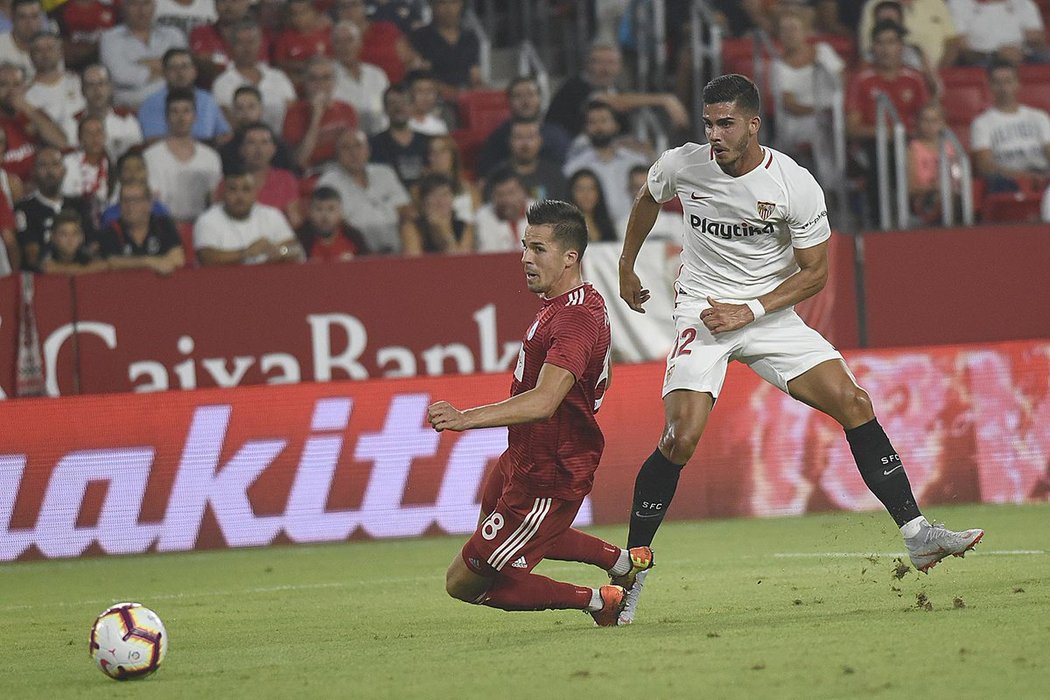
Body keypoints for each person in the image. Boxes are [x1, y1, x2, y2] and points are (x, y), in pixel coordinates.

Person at [615, 73, 984, 625]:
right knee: (679, 437)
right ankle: (631, 573)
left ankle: (918, 535)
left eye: (726, 123)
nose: (714, 134)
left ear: (754, 125)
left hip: (768, 314)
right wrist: (626, 266)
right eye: (709, 123)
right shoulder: (682, 164)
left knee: (855, 403)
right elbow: (649, 196)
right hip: (704, 312)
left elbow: (815, 275)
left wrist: (754, 310)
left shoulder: (794, 184)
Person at [428, 198, 653, 625]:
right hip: (525, 456)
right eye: (525, 247)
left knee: (464, 582)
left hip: (549, 472)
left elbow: (545, 400)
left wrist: (466, 418)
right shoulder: (572, 302)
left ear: (570, 257)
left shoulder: (574, 320)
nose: (526, 259)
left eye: (539, 249)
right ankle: (623, 563)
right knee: (507, 537)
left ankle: (597, 601)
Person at [545, 41, 689, 140]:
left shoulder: (616, 90)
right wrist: (665, 99)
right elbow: (611, 102)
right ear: (587, 65)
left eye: (611, 63)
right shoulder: (575, 85)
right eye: (598, 62)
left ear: (619, 67)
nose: (605, 69)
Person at [771, 6, 844, 183]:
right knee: (820, 127)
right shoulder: (778, 66)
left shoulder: (823, 51)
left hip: (833, 113)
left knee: (838, 125)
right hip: (798, 121)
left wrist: (836, 107)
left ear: (805, 31)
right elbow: (789, 104)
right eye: (784, 30)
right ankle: (829, 184)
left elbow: (842, 78)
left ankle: (846, 176)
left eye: (793, 29)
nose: (789, 34)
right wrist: (818, 111)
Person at [315, 128, 410, 253]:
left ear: (368, 150)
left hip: (395, 242)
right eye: (346, 148)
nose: (353, 153)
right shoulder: (329, 181)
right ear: (337, 154)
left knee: (410, 228)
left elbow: (404, 208)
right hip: (357, 247)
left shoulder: (385, 173)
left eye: (358, 146)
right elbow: (333, 221)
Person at [193, 164, 303, 266]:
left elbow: (295, 249)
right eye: (233, 190)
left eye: (246, 190)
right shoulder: (207, 219)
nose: (239, 196)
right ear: (223, 192)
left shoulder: (272, 215)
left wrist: (280, 252)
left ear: (255, 193)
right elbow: (206, 258)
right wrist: (246, 253)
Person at [142, 86, 222, 222]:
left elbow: (216, 199)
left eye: (186, 111)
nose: (181, 117)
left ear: (195, 116)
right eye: (174, 112)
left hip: (202, 225)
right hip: (163, 225)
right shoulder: (150, 156)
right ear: (166, 117)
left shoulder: (211, 157)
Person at [562, 100, 649, 223]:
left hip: (634, 224)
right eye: (592, 122)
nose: (599, 127)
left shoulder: (636, 161)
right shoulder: (574, 167)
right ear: (585, 128)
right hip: (596, 231)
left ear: (616, 125)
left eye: (604, 121)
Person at [971, 58, 1050, 193]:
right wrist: (1023, 177)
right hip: (1006, 181)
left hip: (1042, 175)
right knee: (999, 184)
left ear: (1017, 84)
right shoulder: (981, 123)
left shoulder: (1039, 117)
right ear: (990, 86)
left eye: (1008, 81)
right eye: (998, 83)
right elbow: (984, 166)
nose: (1004, 88)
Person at [16, 144, 96, 270]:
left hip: (83, 276)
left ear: (64, 170)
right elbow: (32, 255)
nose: (50, 171)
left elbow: (92, 244)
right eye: (43, 165)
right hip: (44, 279)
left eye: (55, 164)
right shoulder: (25, 209)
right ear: (34, 172)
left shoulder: (80, 204)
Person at [210, 19, 297, 134]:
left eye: (251, 42)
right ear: (230, 46)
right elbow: (228, 121)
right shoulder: (222, 83)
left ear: (260, 44)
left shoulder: (278, 77)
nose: (247, 48)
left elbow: (292, 114)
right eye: (241, 42)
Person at [477, 75, 571, 178]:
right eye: (518, 96)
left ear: (540, 99)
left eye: (531, 95)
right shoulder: (498, 138)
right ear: (509, 101)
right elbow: (487, 176)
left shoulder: (557, 135)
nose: (525, 102)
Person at [99, 0, 187, 109]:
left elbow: (183, 72)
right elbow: (121, 76)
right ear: (123, 8)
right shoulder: (110, 38)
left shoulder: (173, 35)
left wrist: (141, 63)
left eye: (146, 3)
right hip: (128, 109)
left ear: (154, 6)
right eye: (134, 4)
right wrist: (165, 67)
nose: (141, 10)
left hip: (172, 108)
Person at [137, 47, 231, 143]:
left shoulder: (207, 100)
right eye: (173, 68)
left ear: (195, 72)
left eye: (185, 67)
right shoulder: (151, 103)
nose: (180, 73)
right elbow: (153, 140)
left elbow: (224, 134)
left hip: (206, 153)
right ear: (164, 73)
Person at [282, 56, 359, 171]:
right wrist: (316, 117)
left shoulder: (347, 109)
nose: (320, 84)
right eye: (313, 79)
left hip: (342, 170)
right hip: (311, 173)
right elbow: (299, 161)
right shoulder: (294, 113)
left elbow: (354, 152)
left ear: (334, 82)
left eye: (326, 78)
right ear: (305, 83)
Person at [98, 179, 185, 274]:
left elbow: (178, 259)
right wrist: (148, 262)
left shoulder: (163, 224)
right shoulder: (111, 229)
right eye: (125, 200)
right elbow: (112, 262)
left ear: (149, 203)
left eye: (136, 200)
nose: (130, 206)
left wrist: (131, 263)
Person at [0, 61, 69, 180]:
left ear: (24, 87)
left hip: (41, 186)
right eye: (4, 84)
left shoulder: (34, 114)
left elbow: (62, 143)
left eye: (16, 84)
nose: (11, 91)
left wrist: (26, 108)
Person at [407, 0, 480, 94]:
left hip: (467, 98)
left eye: (454, 2)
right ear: (432, 5)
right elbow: (419, 77)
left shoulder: (470, 38)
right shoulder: (419, 37)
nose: (448, 9)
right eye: (442, 2)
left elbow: (475, 74)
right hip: (433, 99)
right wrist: (453, 93)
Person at [25, 30, 85, 144]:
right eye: (39, 50)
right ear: (30, 55)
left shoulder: (78, 82)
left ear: (60, 52)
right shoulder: (25, 95)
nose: (45, 54)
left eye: (50, 48)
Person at [330, 20, 389, 135]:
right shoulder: (328, 78)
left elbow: (387, 109)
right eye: (339, 42)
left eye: (349, 40)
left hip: (381, 138)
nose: (345, 47)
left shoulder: (377, 74)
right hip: (347, 141)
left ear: (360, 43)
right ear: (332, 46)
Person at [948, 0, 1050, 67]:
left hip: (1022, 55)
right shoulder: (959, 3)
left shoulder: (1022, 2)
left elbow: (1038, 40)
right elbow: (962, 48)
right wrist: (997, 55)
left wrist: (1026, 48)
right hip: (983, 60)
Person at [76, 64, 144, 162]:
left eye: (101, 83)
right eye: (90, 85)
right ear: (82, 90)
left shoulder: (127, 120)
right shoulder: (73, 122)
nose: (97, 90)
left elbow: (136, 159)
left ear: (110, 87)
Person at [492, 116, 568, 203]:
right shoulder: (497, 175)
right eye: (519, 137)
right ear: (510, 141)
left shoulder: (555, 175)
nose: (525, 144)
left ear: (540, 141)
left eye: (530, 137)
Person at [907, 101, 960, 223]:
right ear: (918, 123)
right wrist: (934, 187)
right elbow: (910, 188)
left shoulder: (951, 147)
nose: (930, 125)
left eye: (934, 121)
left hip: (949, 194)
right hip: (923, 197)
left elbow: (957, 176)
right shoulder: (912, 149)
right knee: (942, 198)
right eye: (925, 120)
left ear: (942, 123)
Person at [369, 82, 430, 189]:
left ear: (412, 107)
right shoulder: (373, 144)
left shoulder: (427, 141)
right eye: (392, 103)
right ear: (385, 109)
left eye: (404, 102)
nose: (398, 107)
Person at [400, 171, 472, 255]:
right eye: (434, 195)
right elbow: (414, 262)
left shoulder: (463, 227)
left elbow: (460, 262)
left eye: (445, 194)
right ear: (424, 200)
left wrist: (443, 230)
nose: (440, 201)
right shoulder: (411, 227)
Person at [296, 184, 369, 261]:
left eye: (331, 209)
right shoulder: (301, 239)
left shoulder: (354, 238)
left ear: (341, 212)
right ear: (310, 212)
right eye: (319, 209)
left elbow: (367, 266)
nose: (325, 216)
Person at [419, 133, 477, 222]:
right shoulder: (418, 190)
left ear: (453, 156)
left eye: (443, 151)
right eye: (432, 152)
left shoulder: (471, 190)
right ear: (427, 158)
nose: (438, 157)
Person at [473, 167, 530, 253]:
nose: (506, 200)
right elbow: (489, 254)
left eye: (511, 193)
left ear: (523, 193)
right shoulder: (483, 216)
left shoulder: (540, 213)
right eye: (500, 195)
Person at [38, 208, 108, 274]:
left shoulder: (87, 257)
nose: (70, 239)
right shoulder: (46, 256)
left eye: (75, 234)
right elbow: (47, 268)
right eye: (64, 234)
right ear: (53, 237)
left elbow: (103, 265)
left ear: (81, 237)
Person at [567, 168, 616, 242]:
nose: (586, 195)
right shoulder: (562, 226)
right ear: (571, 192)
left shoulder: (608, 224)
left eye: (591, 189)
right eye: (580, 189)